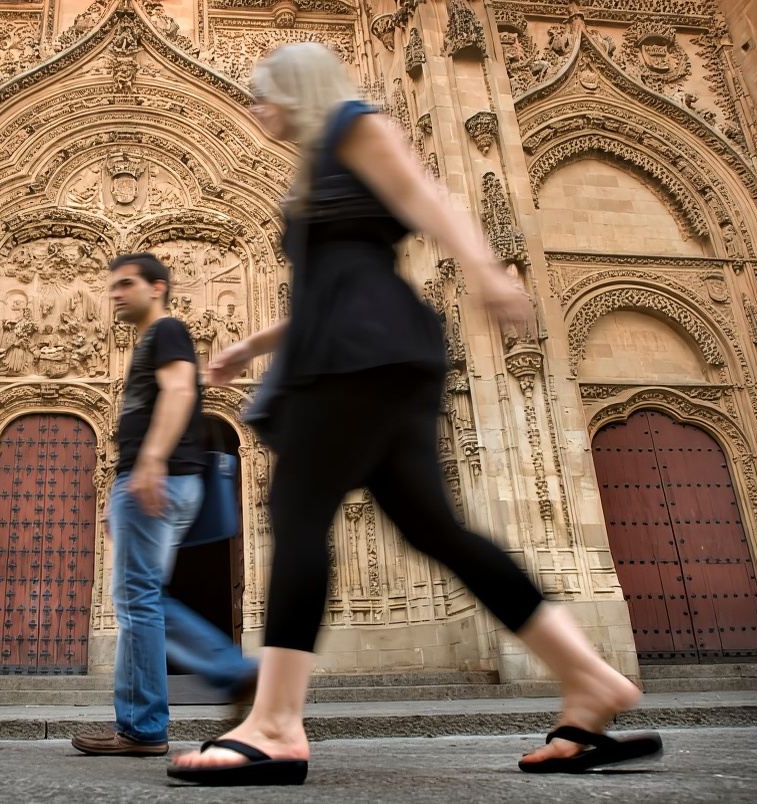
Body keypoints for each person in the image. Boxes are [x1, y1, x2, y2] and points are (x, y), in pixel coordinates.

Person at [168, 43, 661, 786]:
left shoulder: (356, 126)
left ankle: (273, 724)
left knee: (299, 515)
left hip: (363, 355)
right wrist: (252, 344)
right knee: (436, 529)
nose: (253, 108)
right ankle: (590, 682)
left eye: (262, 93)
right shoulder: (322, 163)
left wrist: (489, 270)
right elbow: (334, 283)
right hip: (371, 348)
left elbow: (431, 199)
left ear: (298, 90)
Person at [70, 253, 257, 757]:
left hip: (161, 478)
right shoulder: (154, 339)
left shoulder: (169, 330)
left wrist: (149, 463)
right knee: (142, 599)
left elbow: (178, 390)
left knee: (138, 599)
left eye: (125, 284)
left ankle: (158, 717)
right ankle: (153, 717)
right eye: (112, 285)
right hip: (152, 480)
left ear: (157, 288)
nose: (115, 293)